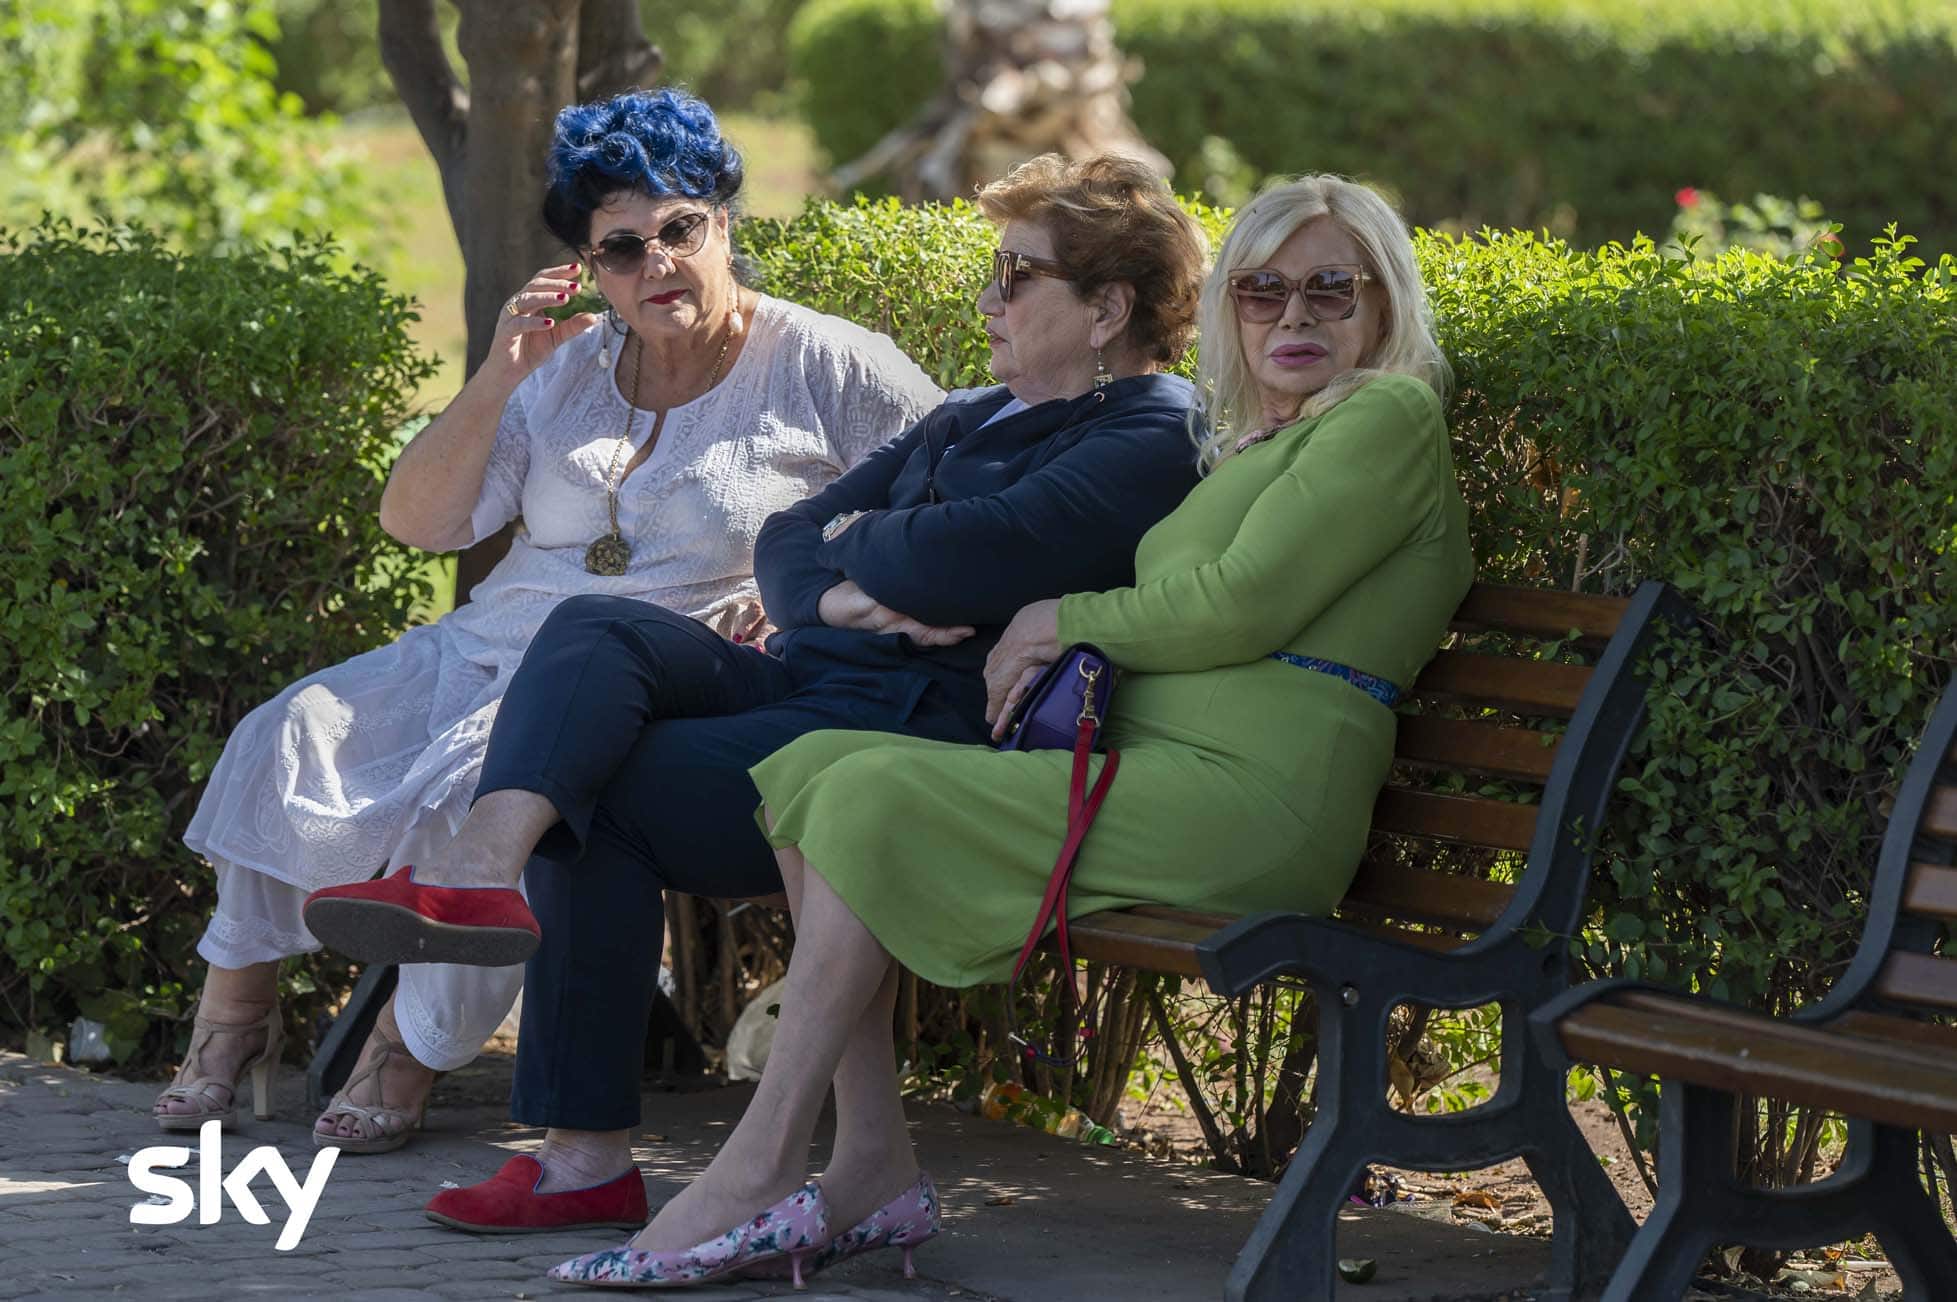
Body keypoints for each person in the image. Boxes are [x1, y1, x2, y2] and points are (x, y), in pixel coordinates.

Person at [544, 171, 1480, 1286]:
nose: (1293, 316)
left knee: (857, 788)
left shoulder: (1386, 414)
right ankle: (872, 1164)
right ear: (1230, 305)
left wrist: (1052, 617)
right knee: (812, 772)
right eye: (1262, 290)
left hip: (1253, 800)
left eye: (1332, 289)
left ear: (1384, 303)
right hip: (1159, 772)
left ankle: (761, 1166)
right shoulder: (1264, 440)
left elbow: (1239, 607)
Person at [301, 151, 1211, 1238]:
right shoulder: (971, 415)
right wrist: (838, 599)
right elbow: (785, 541)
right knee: (591, 628)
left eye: (1016, 278)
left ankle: (582, 1157)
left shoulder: (1149, 434)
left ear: (1108, 308)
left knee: (599, 791)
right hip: (808, 675)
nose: (987, 299)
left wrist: (858, 549)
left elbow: (957, 559)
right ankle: (479, 870)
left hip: (901, 736)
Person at [152, 88, 946, 1153]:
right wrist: (497, 375)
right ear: (590, 266)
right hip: (489, 639)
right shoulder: (562, 370)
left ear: (726, 224)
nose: (656, 262)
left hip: (650, 671)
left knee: (481, 797)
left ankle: (407, 1052)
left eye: (680, 228)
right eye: (623, 247)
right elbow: (419, 524)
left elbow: (948, 501)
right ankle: (230, 1025)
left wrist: (809, 591)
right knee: (290, 728)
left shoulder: (826, 364)